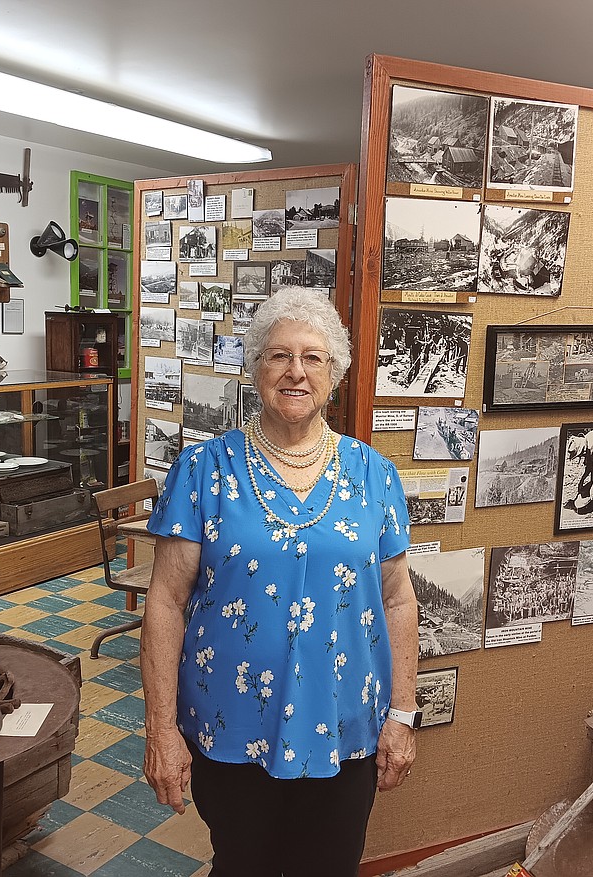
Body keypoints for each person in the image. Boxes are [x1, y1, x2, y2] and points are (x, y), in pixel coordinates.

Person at [142, 286, 419, 877]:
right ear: (255, 368)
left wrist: (404, 713)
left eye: (313, 358)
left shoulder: (374, 473)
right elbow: (165, 603)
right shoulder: (204, 469)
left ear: (334, 373)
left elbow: (397, 599)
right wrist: (161, 729)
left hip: (347, 727)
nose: (296, 372)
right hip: (231, 727)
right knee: (243, 865)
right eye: (279, 356)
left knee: (330, 866)